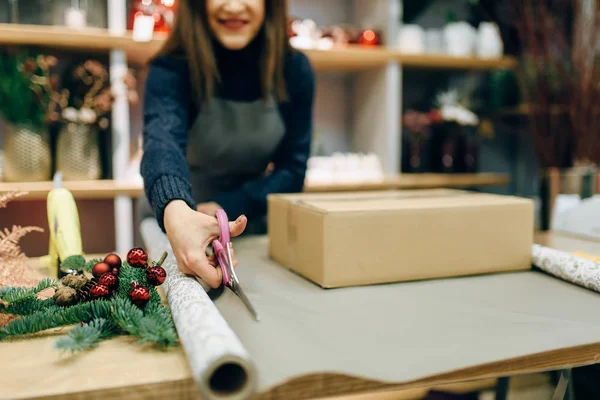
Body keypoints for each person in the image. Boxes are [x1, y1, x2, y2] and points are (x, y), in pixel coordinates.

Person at [138, 0, 315, 289]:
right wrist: (177, 210)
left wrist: (224, 208)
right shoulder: (172, 68)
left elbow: (292, 170)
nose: (233, 6)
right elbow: (162, 142)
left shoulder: (294, 71)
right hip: (174, 217)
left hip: (249, 218)